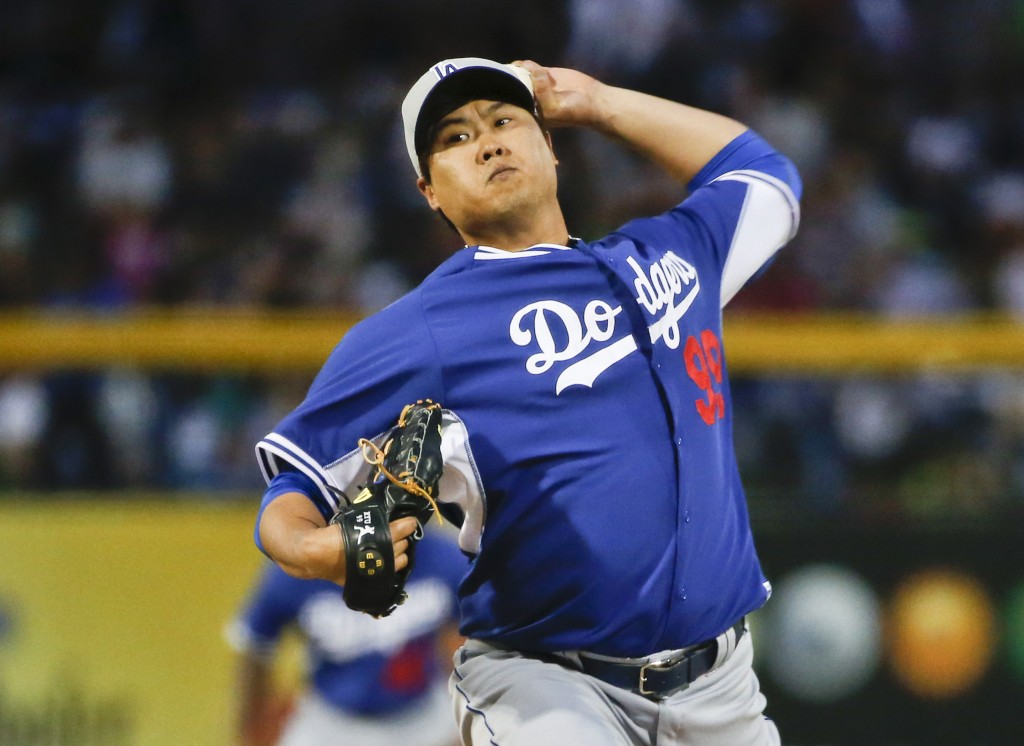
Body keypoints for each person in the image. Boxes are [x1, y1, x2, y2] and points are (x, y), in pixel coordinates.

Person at [253, 56, 801, 745]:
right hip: (548, 688)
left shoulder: (666, 255)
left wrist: (600, 103)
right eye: (453, 138)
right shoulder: (421, 332)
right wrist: (315, 549)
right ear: (429, 191)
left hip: (720, 689)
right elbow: (291, 492)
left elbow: (765, 176)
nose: (486, 142)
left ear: (551, 148)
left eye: (505, 120)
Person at [226, 530, 465, 746]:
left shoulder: (442, 557)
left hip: (423, 716)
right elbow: (256, 644)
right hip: (331, 723)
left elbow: (475, 649)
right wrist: (251, 731)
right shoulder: (302, 567)